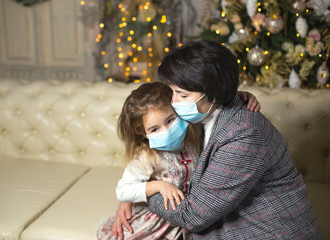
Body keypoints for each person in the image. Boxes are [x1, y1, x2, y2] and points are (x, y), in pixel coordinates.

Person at [111, 40, 322, 239]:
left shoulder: (244, 135)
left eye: (181, 95)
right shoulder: (202, 111)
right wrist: (130, 196)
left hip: (265, 231)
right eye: (172, 92)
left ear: (213, 92)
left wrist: (147, 193)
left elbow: (192, 216)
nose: (173, 102)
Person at [97, 82, 201, 239]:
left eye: (170, 120)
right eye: (154, 129)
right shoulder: (148, 155)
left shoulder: (193, 136)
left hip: (187, 217)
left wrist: (243, 96)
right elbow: (122, 190)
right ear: (144, 133)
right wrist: (158, 186)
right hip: (156, 222)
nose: (166, 130)